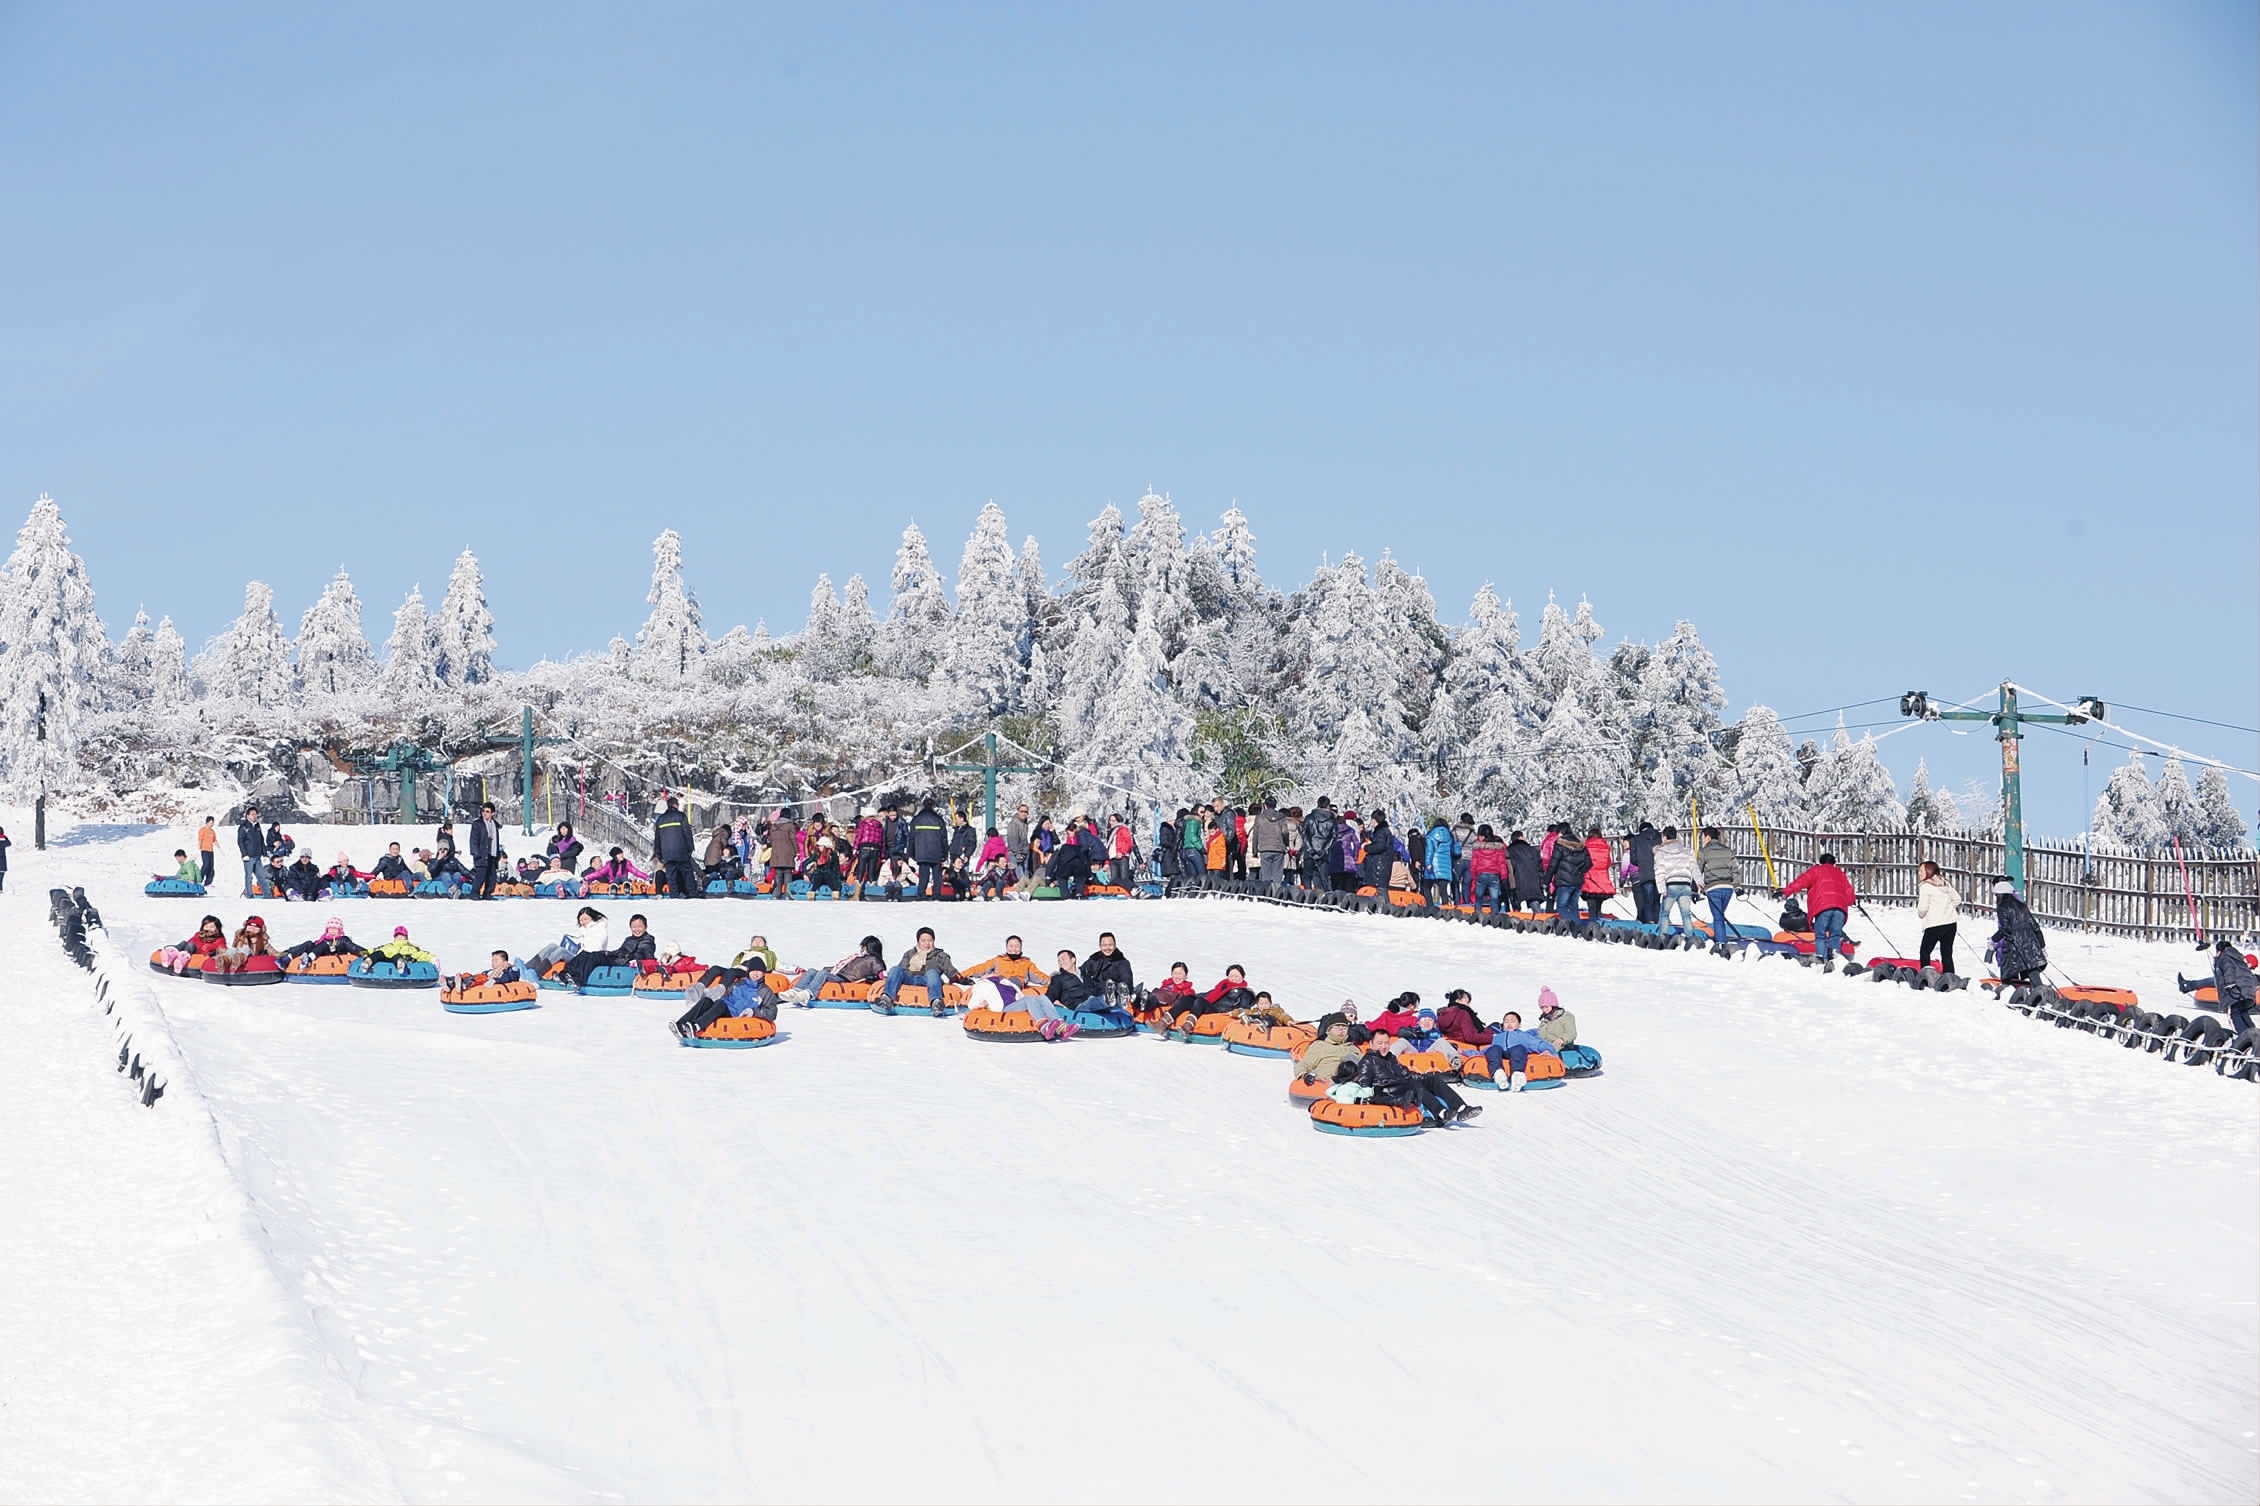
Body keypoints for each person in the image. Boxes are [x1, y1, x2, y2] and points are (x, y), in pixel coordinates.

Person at [1355, 1038, 1477, 1124]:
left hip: (1402, 1081)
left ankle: (1462, 1108)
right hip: (1389, 1089)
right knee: (1414, 1085)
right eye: (1380, 1044)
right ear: (1372, 1045)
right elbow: (1365, 1084)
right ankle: (1441, 1112)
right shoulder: (1368, 1061)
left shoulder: (1391, 1059)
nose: (1383, 1047)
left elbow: (1407, 1074)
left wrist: (1424, 1077)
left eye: (1386, 1043)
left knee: (1433, 1080)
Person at [1783, 852, 1856, 971]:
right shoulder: (1840, 873)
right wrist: (1852, 900)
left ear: (1821, 862)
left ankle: (1821, 962)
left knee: (1820, 936)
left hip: (1823, 907)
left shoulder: (1816, 870)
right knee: (1835, 935)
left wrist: (1785, 892)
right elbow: (1849, 892)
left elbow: (1801, 882)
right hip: (1840, 909)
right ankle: (1836, 962)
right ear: (1834, 863)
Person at [786, 935, 890, 1005]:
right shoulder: (858, 958)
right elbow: (843, 967)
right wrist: (829, 968)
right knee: (812, 971)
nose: (861, 948)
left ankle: (808, 994)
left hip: (846, 979)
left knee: (823, 974)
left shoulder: (873, 959)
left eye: (863, 946)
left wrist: (877, 977)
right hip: (839, 974)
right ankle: (795, 991)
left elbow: (881, 972)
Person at [2179, 941, 2256, 1034]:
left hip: (2238, 991)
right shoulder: (2238, 958)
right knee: (2243, 1013)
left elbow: (2229, 970)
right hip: (2248, 992)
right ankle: (2254, 1034)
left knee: (2235, 1014)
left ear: (2219, 951)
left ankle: (2244, 1036)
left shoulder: (2225, 958)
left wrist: (2230, 984)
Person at [878, 926, 955, 1016]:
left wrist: (961, 979)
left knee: (932, 972)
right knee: (895, 969)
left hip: (928, 980)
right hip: (909, 978)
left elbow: (951, 971)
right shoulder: (910, 954)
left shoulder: (940, 956)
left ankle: (936, 1002)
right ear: (918, 942)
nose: (927, 944)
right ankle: (887, 998)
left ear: (934, 941)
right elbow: (901, 970)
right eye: (923, 941)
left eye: (930, 940)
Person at [1987, 880, 2047, 986]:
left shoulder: (2002, 908)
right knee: (2032, 969)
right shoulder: (2022, 906)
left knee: (2007, 973)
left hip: (2013, 945)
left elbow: (2006, 928)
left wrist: (1993, 940)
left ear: (2000, 895)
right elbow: (2035, 926)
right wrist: (2042, 945)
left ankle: (2009, 990)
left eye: (1996, 895)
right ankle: (2040, 990)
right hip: (2030, 942)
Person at [1485, 1008, 1558, 1092]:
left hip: (1517, 1054)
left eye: (1513, 1021)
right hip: (1500, 1054)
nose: (1509, 1024)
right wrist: (1474, 1054)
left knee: (1518, 1048)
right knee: (1493, 1049)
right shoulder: (1497, 1037)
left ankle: (1517, 1075)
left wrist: (1547, 1049)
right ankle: (1498, 1073)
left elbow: (1538, 1043)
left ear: (1519, 1025)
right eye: (1506, 1021)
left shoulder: (1523, 1036)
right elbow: (1487, 1050)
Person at [528, 908, 610, 976]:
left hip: (584, 960)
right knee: (552, 946)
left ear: (593, 918)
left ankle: (536, 973)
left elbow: (596, 948)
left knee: (561, 952)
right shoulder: (587, 930)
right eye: (581, 920)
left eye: (585, 919)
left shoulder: (599, 929)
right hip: (579, 956)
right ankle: (527, 967)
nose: (582, 922)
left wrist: (581, 950)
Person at [1653, 826, 1702, 937]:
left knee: (1665, 914)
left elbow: (1659, 871)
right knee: (1686, 914)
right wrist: (1699, 882)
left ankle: (1662, 938)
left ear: (1664, 837)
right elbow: (1694, 868)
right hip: (1685, 885)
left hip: (1671, 885)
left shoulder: (1661, 852)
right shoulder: (1687, 851)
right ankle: (1690, 938)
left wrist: (1661, 888)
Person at [1915, 860, 1961, 975]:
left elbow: (1922, 908)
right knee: (1947, 954)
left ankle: (1926, 977)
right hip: (1950, 923)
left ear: (1929, 871)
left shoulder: (1926, 886)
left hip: (1935, 924)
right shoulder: (1945, 883)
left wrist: (1921, 914)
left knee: (1925, 952)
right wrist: (1947, 909)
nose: (1919, 873)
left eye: (1921, 871)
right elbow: (1957, 899)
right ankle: (1949, 977)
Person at [1696, 827, 1739, 946]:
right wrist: (1737, 886)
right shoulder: (1728, 851)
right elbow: (1735, 869)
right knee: (1720, 915)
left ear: (1708, 837)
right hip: (1728, 888)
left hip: (1713, 887)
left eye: (1702, 838)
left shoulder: (1703, 852)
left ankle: (1720, 943)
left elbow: (1697, 871)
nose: (1702, 841)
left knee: (1718, 917)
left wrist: (1695, 890)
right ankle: (1720, 938)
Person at [958, 935, 1047, 988]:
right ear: (1006, 947)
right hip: (998, 983)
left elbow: (1039, 976)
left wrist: (1053, 982)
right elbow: (980, 968)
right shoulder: (999, 960)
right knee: (989, 979)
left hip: (1015, 986)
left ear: (1021, 948)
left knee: (1013, 979)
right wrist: (960, 975)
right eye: (1011, 946)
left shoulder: (1027, 963)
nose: (1014, 949)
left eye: (1017, 946)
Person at [653, 796, 698, 898]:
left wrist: (658, 853)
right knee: (687, 873)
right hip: (681, 851)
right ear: (675, 805)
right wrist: (690, 849)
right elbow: (687, 834)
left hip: (667, 853)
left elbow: (657, 838)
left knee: (671, 876)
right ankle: (693, 893)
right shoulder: (681, 817)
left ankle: (674, 895)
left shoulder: (661, 819)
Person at [1546, 825, 1590, 926]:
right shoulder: (1581, 845)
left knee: (1562, 906)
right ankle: (1578, 926)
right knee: (1574, 906)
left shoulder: (1560, 845)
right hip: (1577, 880)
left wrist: (1546, 880)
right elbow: (1589, 862)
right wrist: (1580, 871)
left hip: (1564, 880)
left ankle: (1571, 926)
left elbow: (1553, 864)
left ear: (1561, 833)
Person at [1080, 931, 1137, 1005]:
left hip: (1114, 994)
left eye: (1110, 945)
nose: (1107, 948)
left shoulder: (1122, 962)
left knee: (1105, 985)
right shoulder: (1095, 959)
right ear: (1100, 946)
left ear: (1115, 945)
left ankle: (1111, 998)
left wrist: (1126, 990)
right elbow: (1081, 971)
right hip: (1095, 993)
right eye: (1104, 945)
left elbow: (1127, 979)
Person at [158, 914, 229, 972]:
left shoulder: (219, 938)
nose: (208, 929)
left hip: (201, 953)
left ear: (217, 928)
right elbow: (190, 941)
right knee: (184, 943)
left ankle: (182, 959)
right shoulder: (198, 934)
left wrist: (214, 951)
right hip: (190, 950)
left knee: (191, 945)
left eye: (212, 927)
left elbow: (222, 948)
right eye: (206, 926)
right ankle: (170, 954)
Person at [908, 800, 949, 900]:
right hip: (936, 852)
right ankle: (936, 895)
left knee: (923, 876)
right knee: (937, 876)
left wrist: (912, 853)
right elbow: (943, 838)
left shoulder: (916, 819)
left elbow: (912, 838)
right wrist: (945, 852)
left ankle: (921, 895)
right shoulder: (938, 819)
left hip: (922, 852)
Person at [212, 914, 279, 973]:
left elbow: (271, 951)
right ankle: (223, 961)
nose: (252, 928)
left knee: (246, 948)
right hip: (235, 955)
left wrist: (280, 955)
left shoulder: (263, 940)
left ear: (261, 929)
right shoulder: (239, 935)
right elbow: (234, 946)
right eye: (250, 926)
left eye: (256, 926)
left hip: (250, 958)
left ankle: (239, 958)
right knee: (232, 949)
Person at [444, 950, 528, 997]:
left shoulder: (506, 971)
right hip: (483, 976)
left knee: (479, 978)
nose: (493, 962)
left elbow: (508, 978)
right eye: (492, 960)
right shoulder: (491, 970)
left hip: (486, 980)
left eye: (496, 960)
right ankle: (450, 982)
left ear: (505, 962)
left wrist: (495, 980)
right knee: (468, 974)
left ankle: (464, 985)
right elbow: (484, 973)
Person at [1465, 825, 1508, 915]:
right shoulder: (1498, 848)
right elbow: (1502, 863)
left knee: (1479, 897)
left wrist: (1474, 876)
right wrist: (1504, 876)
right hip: (1494, 875)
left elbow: (1474, 864)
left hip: (1481, 874)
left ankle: (1478, 914)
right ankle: (1495, 915)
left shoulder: (1477, 848)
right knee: (1494, 899)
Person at [1623, 822, 1659, 925]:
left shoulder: (1636, 840)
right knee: (1656, 901)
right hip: (1659, 873)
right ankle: (1658, 921)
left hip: (1645, 873)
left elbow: (1633, 860)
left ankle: (1649, 923)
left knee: (1648, 902)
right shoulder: (1659, 836)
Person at [1250, 797, 1291, 885]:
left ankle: (1266, 891)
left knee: (1266, 874)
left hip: (1265, 848)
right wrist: (1286, 844)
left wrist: (1254, 850)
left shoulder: (1260, 818)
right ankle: (1276, 891)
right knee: (1277, 875)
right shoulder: (1282, 817)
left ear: (1265, 805)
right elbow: (1285, 832)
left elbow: (1255, 834)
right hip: (1279, 848)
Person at [469, 801, 504, 900]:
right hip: (481, 853)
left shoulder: (494, 825)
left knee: (492, 877)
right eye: (483, 811)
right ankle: (474, 893)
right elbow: (473, 839)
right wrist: (475, 852)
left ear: (492, 813)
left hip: (492, 853)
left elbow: (496, 840)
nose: (484, 813)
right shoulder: (478, 824)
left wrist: (498, 854)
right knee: (481, 875)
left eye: (487, 811)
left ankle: (488, 894)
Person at [1579, 827, 1615, 921]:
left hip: (1589, 878)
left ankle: (1592, 925)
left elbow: (1581, 862)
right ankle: (1599, 924)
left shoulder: (1586, 847)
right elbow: (1608, 863)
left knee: (1591, 906)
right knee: (1599, 906)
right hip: (1602, 879)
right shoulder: (1606, 847)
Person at [236, 804, 269, 898]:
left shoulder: (257, 826)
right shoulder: (243, 827)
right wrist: (244, 854)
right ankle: (249, 894)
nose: (254, 816)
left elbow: (261, 840)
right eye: (252, 814)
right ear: (248, 816)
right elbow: (240, 841)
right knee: (249, 876)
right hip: (249, 856)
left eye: (255, 814)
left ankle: (267, 894)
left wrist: (264, 853)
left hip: (257, 855)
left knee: (261, 876)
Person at [1423, 816, 1457, 905]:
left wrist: (1428, 863)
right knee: (1443, 891)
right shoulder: (1450, 836)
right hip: (1446, 865)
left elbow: (1430, 851)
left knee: (1426, 887)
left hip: (1433, 864)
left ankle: (1430, 907)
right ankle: (1445, 908)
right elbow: (1455, 851)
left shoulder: (1431, 835)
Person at [196, 816, 218, 886]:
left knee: (211, 867)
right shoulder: (202, 830)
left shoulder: (212, 831)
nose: (212, 824)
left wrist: (219, 846)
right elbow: (200, 839)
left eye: (213, 823)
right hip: (204, 850)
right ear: (207, 822)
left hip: (211, 851)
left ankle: (208, 882)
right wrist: (199, 846)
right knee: (206, 865)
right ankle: (199, 879)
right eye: (211, 822)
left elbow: (214, 840)